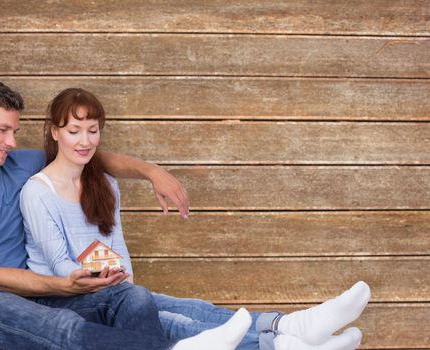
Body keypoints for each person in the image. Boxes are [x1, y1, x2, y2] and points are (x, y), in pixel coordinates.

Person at [0, 78, 256, 350]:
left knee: (133, 298)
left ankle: (274, 332)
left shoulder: (17, 164)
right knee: (63, 329)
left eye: (15, 132)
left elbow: (88, 156)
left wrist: (151, 171)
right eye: (3, 130)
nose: (12, 142)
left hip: (36, 296)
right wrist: (63, 285)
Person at [20, 87, 371, 350]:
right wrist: (96, 280)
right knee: (169, 317)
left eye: (92, 130)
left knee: (186, 306)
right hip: (65, 295)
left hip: (111, 289)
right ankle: (278, 342)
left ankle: (287, 325)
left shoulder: (105, 183)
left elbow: (117, 246)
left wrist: (120, 276)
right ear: (54, 132)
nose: (85, 140)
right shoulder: (38, 192)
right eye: (74, 131)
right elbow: (59, 265)